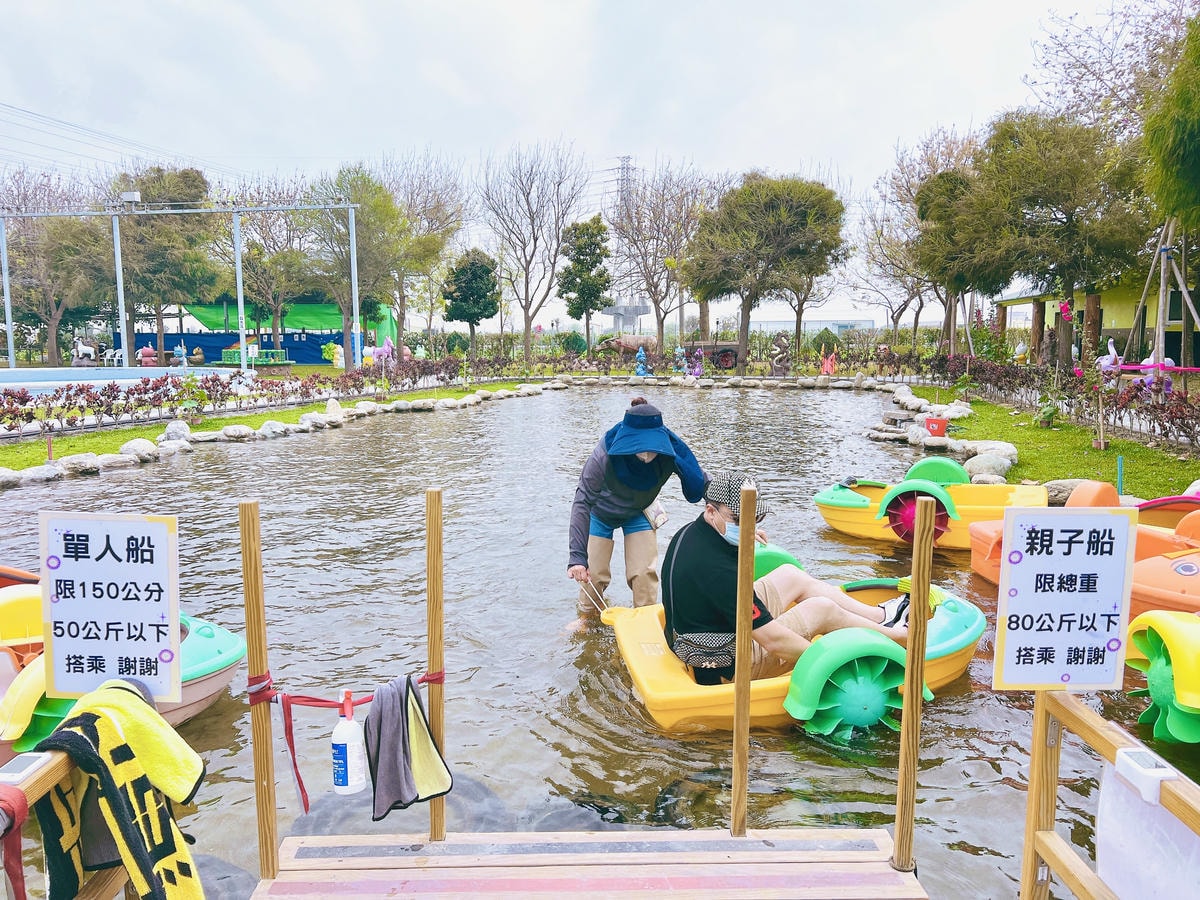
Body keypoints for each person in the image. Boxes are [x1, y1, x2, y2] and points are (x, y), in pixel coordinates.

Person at [662, 470, 911, 685]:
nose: (749, 524)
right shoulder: (719, 571)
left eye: (754, 518)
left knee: (791, 575)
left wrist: (744, 533)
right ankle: (900, 639)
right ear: (710, 510)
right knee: (822, 609)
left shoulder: (692, 533)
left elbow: (719, 580)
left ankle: (881, 617)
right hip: (722, 662)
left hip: (699, 632)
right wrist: (830, 663)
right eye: (740, 519)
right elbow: (774, 641)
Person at [568, 397, 707, 613]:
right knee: (592, 574)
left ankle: (645, 619)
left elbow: (704, 483)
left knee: (643, 574)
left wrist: (739, 521)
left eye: (652, 447)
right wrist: (577, 557)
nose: (646, 452)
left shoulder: (672, 453)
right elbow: (582, 499)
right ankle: (587, 619)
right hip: (601, 512)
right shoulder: (604, 453)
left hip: (640, 510)